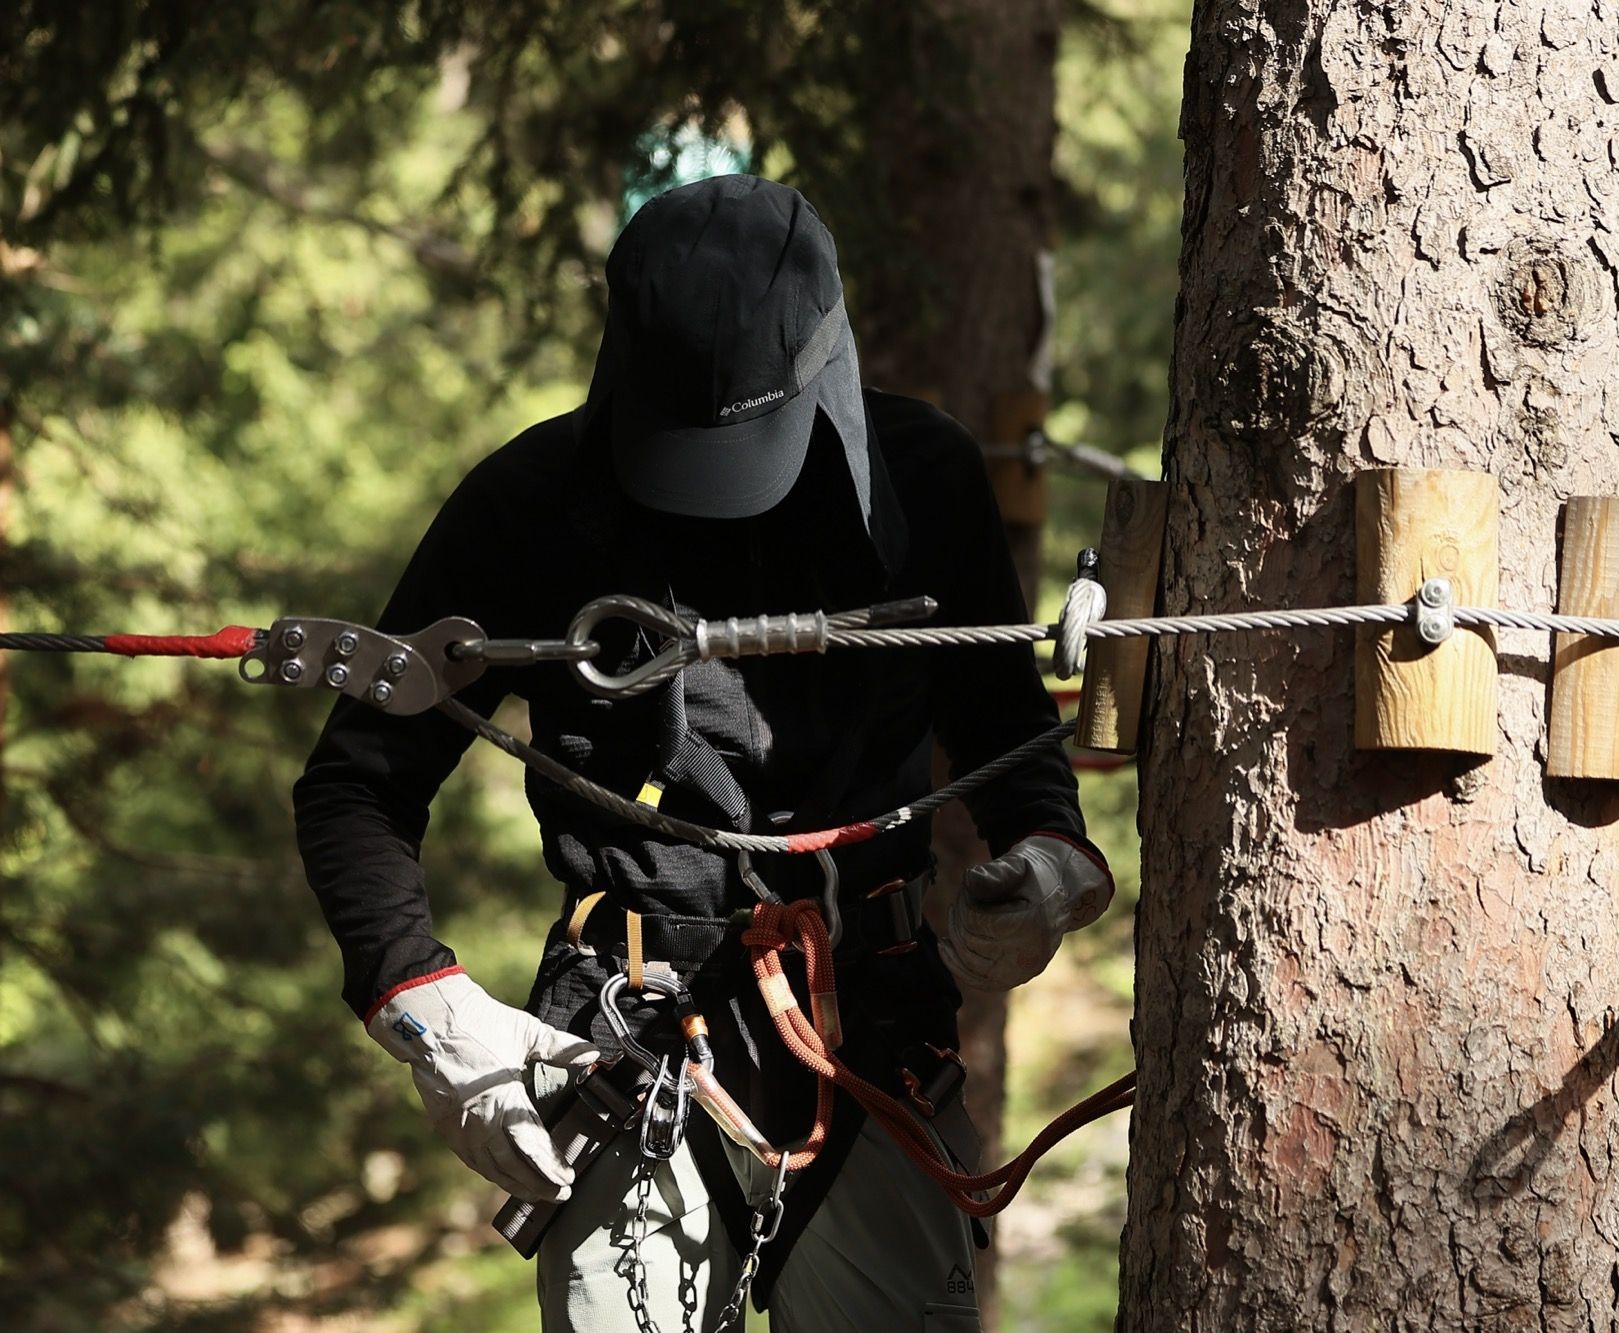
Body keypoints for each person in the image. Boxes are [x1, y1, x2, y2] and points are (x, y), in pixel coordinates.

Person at [292, 173, 1111, 1332]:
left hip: (873, 1031)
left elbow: (1005, 723)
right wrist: (422, 1006)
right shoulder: (529, 506)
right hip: (624, 1039)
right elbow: (358, 782)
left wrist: (1050, 858)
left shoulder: (923, 479)